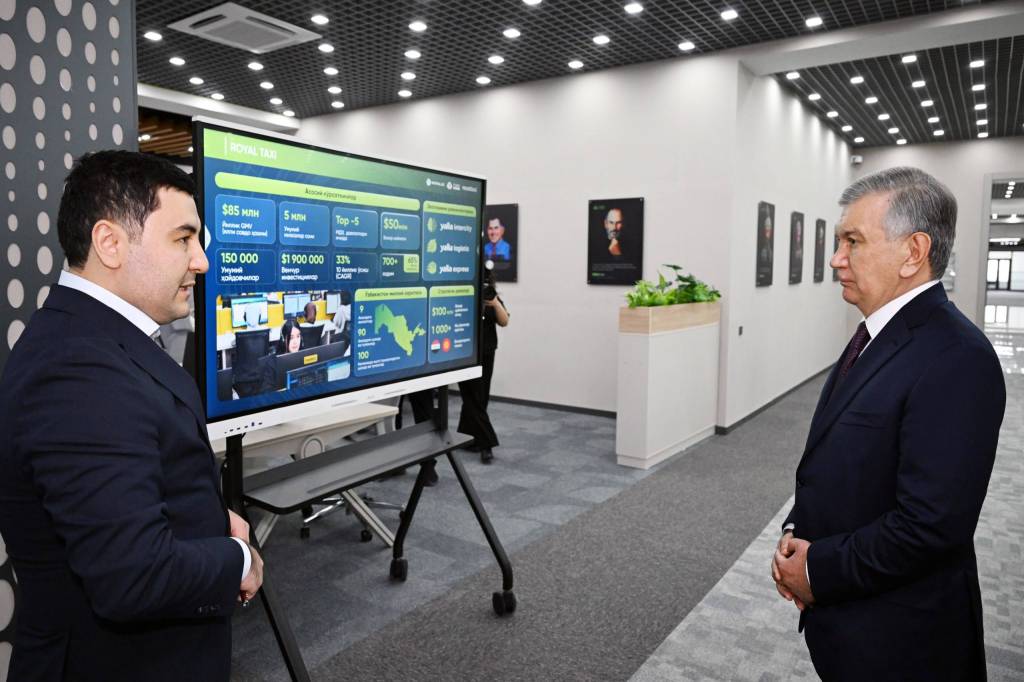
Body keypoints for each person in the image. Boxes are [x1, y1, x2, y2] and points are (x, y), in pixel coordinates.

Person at [0, 151, 264, 681]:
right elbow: (134, 575)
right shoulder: (76, 369)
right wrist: (240, 558)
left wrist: (213, 520)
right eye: (183, 239)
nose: (201, 262)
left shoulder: (97, 340)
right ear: (110, 243)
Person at [771, 167, 1005, 680]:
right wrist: (796, 530)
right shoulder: (875, 335)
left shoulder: (957, 358)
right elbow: (841, 462)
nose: (836, 258)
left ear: (913, 252)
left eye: (852, 241)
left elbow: (929, 526)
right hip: (853, 627)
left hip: (903, 644)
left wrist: (815, 569)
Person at [458, 266, 510, 463]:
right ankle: (486, 443)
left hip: (487, 352)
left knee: (480, 396)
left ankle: (468, 436)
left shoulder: (490, 295)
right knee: (473, 397)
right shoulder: (462, 295)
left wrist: (495, 303)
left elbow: (504, 321)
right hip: (465, 352)